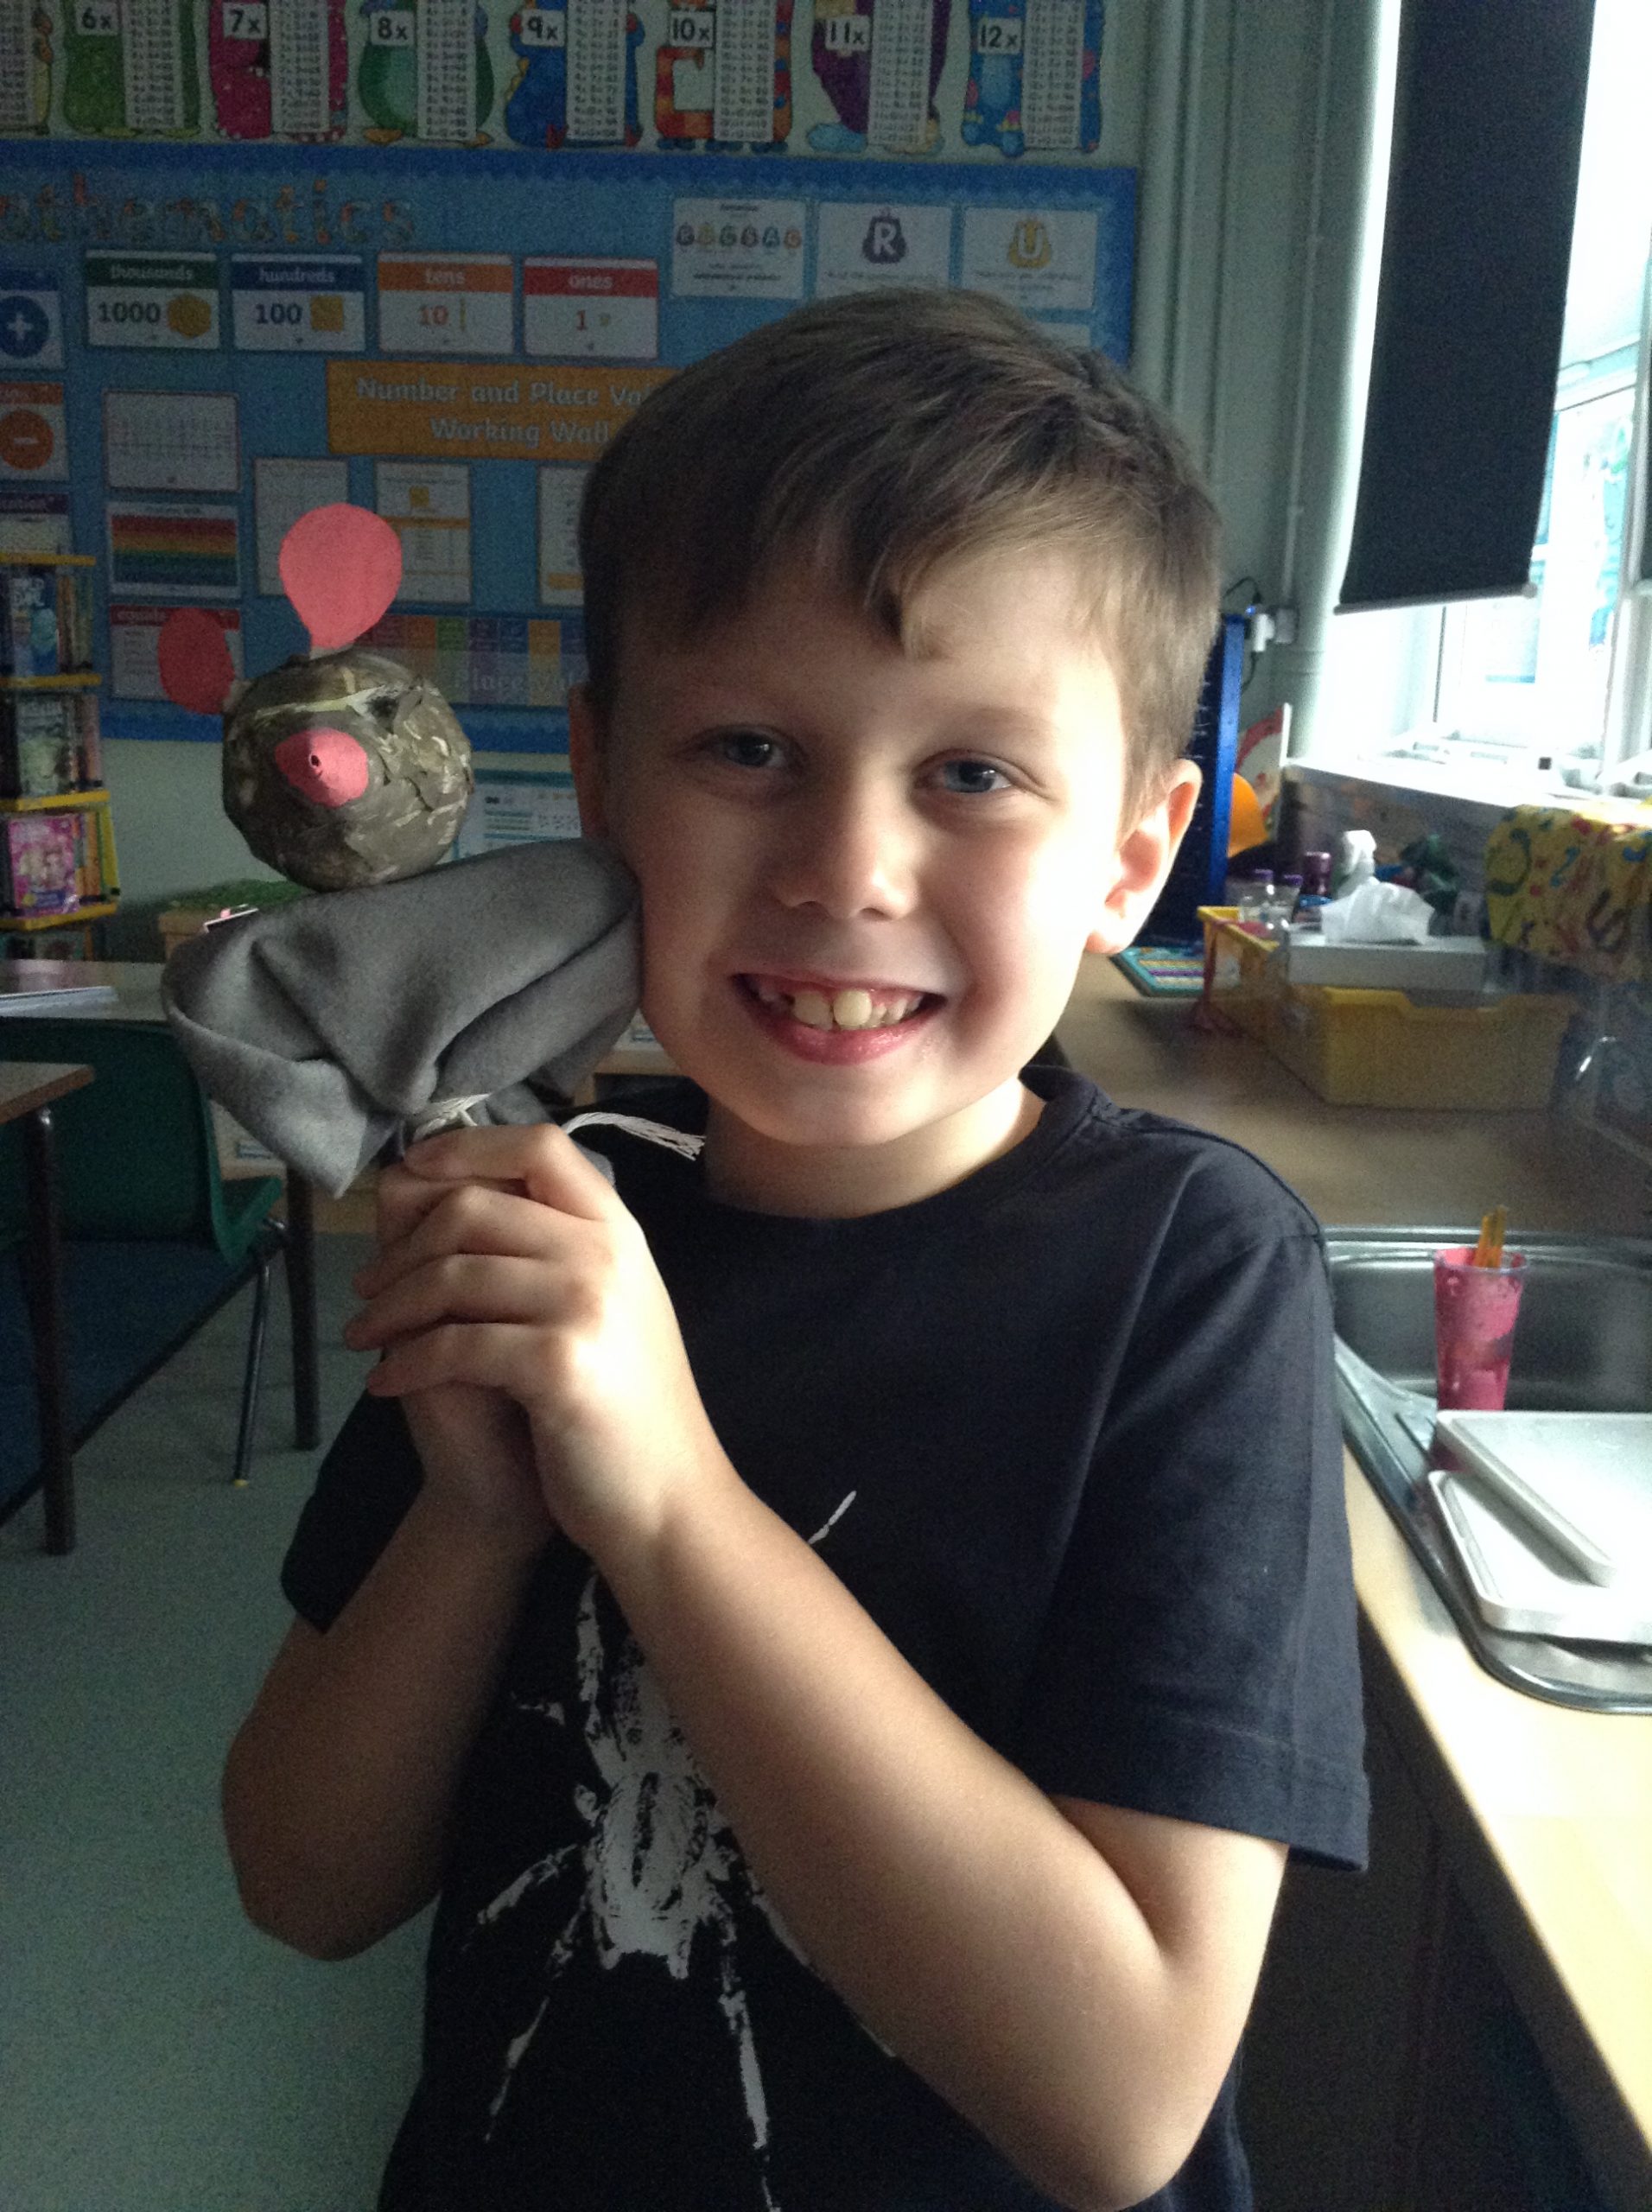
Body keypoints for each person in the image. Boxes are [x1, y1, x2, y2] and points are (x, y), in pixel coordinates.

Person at [222, 289, 1369, 2212]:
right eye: (748, 746)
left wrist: (666, 1499)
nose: (846, 867)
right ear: (603, 781)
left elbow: (1118, 2106)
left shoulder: (1191, 1275)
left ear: (1131, 851)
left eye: (973, 773)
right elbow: (299, 1878)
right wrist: (478, 1519)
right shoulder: (556, 1214)